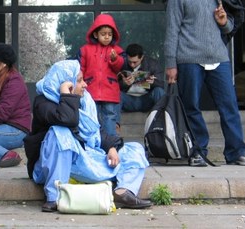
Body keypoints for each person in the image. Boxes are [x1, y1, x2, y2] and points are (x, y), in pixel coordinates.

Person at [25, 60, 151, 212]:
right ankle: (54, 196)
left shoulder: (85, 101)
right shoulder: (43, 102)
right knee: (59, 132)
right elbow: (67, 120)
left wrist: (111, 147)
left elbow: (96, 132)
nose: (85, 84)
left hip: (85, 156)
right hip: (58, 164)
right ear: (66, 83)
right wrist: (66, 94)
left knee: (135, 148)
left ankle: (124, 191)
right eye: (79, 81)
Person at [164, 0, 245, 166]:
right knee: (191, 107)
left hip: (219, 58)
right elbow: (172, 30)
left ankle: (237, 151)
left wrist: (224, 22)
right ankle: (198, 152)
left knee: (229, 106)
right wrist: (171, 63)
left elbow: (228, 27)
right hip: (189, 58)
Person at [77, 14, 124, 136]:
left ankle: (111, 145)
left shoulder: (117, 50)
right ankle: (94, 145)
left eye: (110, 34)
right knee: (92, 118)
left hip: (110, 92)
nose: (107, 37)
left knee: (110, 117)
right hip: (90, 90)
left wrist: (115, 59)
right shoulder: (85, 50)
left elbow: (120, 67)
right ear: (95, 34)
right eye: (103, 34)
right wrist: (79, 78)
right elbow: (80, 68)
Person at [117, 43, 165, 124]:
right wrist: (124, 83)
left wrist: (152, 82)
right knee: (115, 94)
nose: (132, 65)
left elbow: (162, 85)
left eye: (135, 62)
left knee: (159, 91)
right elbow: (113, 85)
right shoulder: (122, 63)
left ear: (142, 57)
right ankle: (115, 126)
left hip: (146, 99)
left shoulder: (153, 64)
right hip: (129, 99)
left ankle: (162, 123)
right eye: (130, 62)